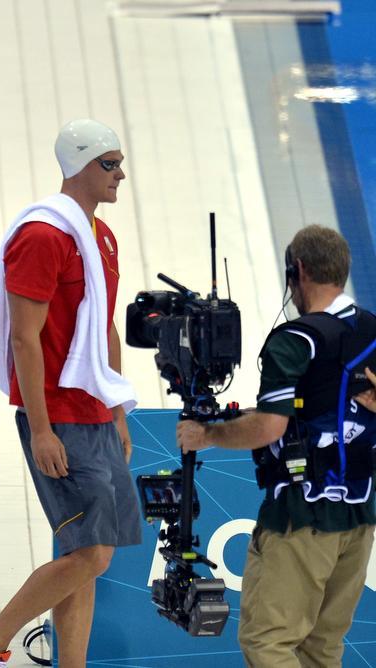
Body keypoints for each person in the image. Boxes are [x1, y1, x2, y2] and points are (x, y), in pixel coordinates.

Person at [0, 119, 142, 668]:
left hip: (95, 412)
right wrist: (39, 428)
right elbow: (23, 339)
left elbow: (105, 329)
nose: (120, 173)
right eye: (109, 163)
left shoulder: (101, 237)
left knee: (86, 555)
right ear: (78, 165)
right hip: (58, 417)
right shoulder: (43, 236)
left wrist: (119, 410)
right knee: (93, 555)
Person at [177, 225, 376, 666]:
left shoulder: (293, 341)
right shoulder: (372, 330)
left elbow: (269, 428)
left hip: (300, 518)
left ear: (298, 270)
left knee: (268, 643)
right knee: (322, 647)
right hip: (360, 519)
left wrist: (207, 434)